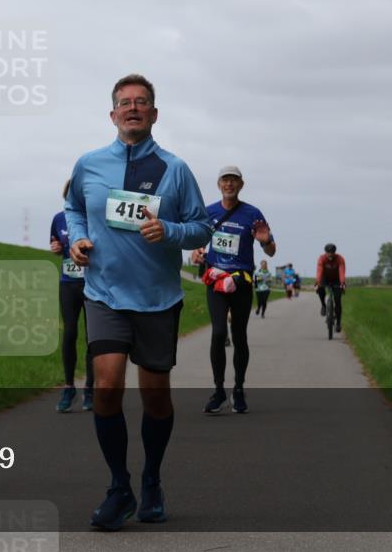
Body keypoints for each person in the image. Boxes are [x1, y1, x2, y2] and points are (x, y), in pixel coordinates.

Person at [66, 73, 210, 530]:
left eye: (142, 102)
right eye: (125, 102)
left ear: (154, 114)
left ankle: (151, 479)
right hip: (104, 294)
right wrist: (79, 238)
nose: (133, 108)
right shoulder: (88, 164)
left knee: (156, 398)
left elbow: (202, 227)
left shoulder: (176, 169)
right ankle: (118, 486)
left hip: (156, 298)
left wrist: (170, 231)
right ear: (112, 114)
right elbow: (72, 207)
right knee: (106, 387)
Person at [189, 166, 275, 415]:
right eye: (225, 180)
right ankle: (218, 390)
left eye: (234, 181)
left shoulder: (252, 213)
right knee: (218, 333)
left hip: (242, 282)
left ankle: (238, 388)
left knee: (239, 335)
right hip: (216, 280)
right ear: (219, 184)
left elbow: (271, 251)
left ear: (241, 185)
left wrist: (265, 240)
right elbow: (197, 241)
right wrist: (195, 251)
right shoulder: (210, 212)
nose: (229, 184)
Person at [51, 180, 95, 412]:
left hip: (93, 284)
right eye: (70, 193)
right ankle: (69, 387)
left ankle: (90, 389)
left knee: (92, 337)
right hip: (68, 284)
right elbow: (56, 243)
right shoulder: (58, 218)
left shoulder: (94, 218)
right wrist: (56, 248)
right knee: (69, 333)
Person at [316, 243, 347, 332]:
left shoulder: (340, 259)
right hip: (325, 278)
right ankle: (323, 305)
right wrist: (317, 282)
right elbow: (319, 270)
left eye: (332, 252)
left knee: (337, 300)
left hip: (337, 279)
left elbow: (341, 271)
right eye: (328, 252)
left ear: (334, 252)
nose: (330, 254)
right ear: (325, 252)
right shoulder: (322, 258)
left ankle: (338, 323)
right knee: (320, 288)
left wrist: (342, 283)